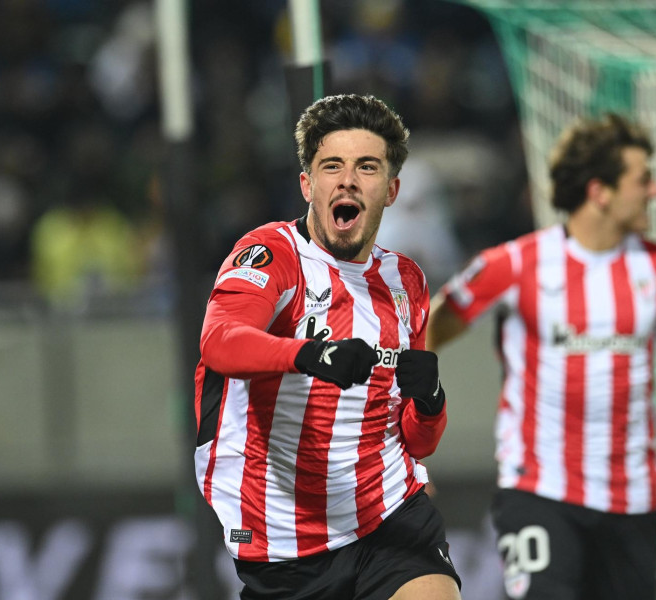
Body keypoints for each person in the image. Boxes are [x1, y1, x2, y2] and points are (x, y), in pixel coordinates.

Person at [193, 94, 462, 600]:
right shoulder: (273, 254)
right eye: (331, 165)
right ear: (307, 184)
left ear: (391, 189)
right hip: (284, 535)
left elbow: (418, 441)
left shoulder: (406, 282)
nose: (348, 180)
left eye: (367, 167)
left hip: (389, 516)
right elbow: (220, 342)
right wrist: (307, 355)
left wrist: (430, 403)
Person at [427, 113, 656, 600]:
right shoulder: (516, 264)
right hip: (539, 488)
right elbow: (427, 328)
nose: (655, 191)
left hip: (633, 498)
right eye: (642, 180)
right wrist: (412, 435)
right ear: (600, 191)